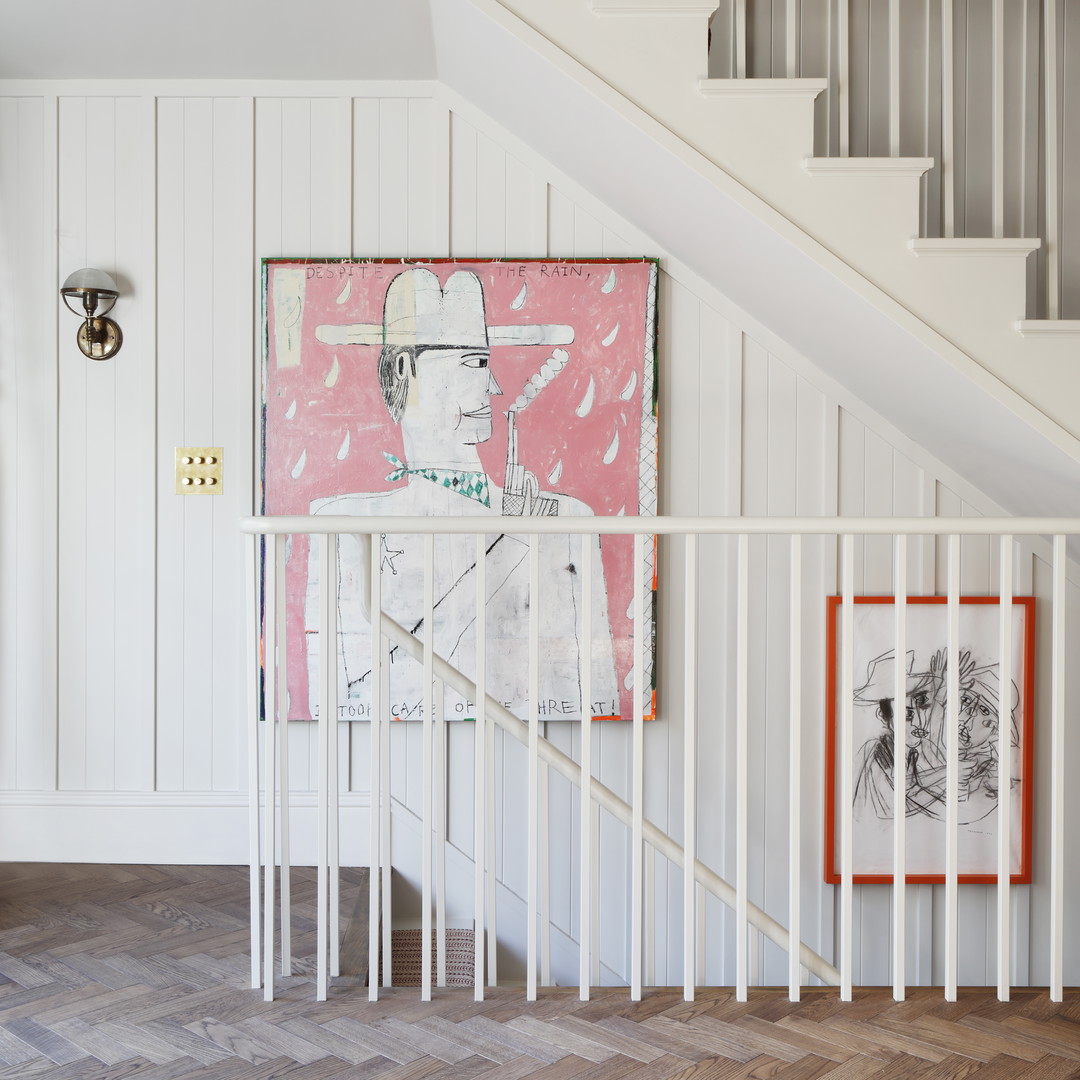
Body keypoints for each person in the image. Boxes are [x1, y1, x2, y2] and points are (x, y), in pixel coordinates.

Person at [304, 266, 620, 724]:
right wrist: (513, 541)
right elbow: (350, 690)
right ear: (404, 368)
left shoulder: (568, 519)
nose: (492, 387)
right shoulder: (340, 523)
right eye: (473, 364)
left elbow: (591, 690)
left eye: (487, 363)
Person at [852, 650, 946, 820]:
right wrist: (948, 775)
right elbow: (892, 807)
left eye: (923, 708)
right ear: (884, 717)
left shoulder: (923, 749)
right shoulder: (878, 751)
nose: (919, 722)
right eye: (907, 715)